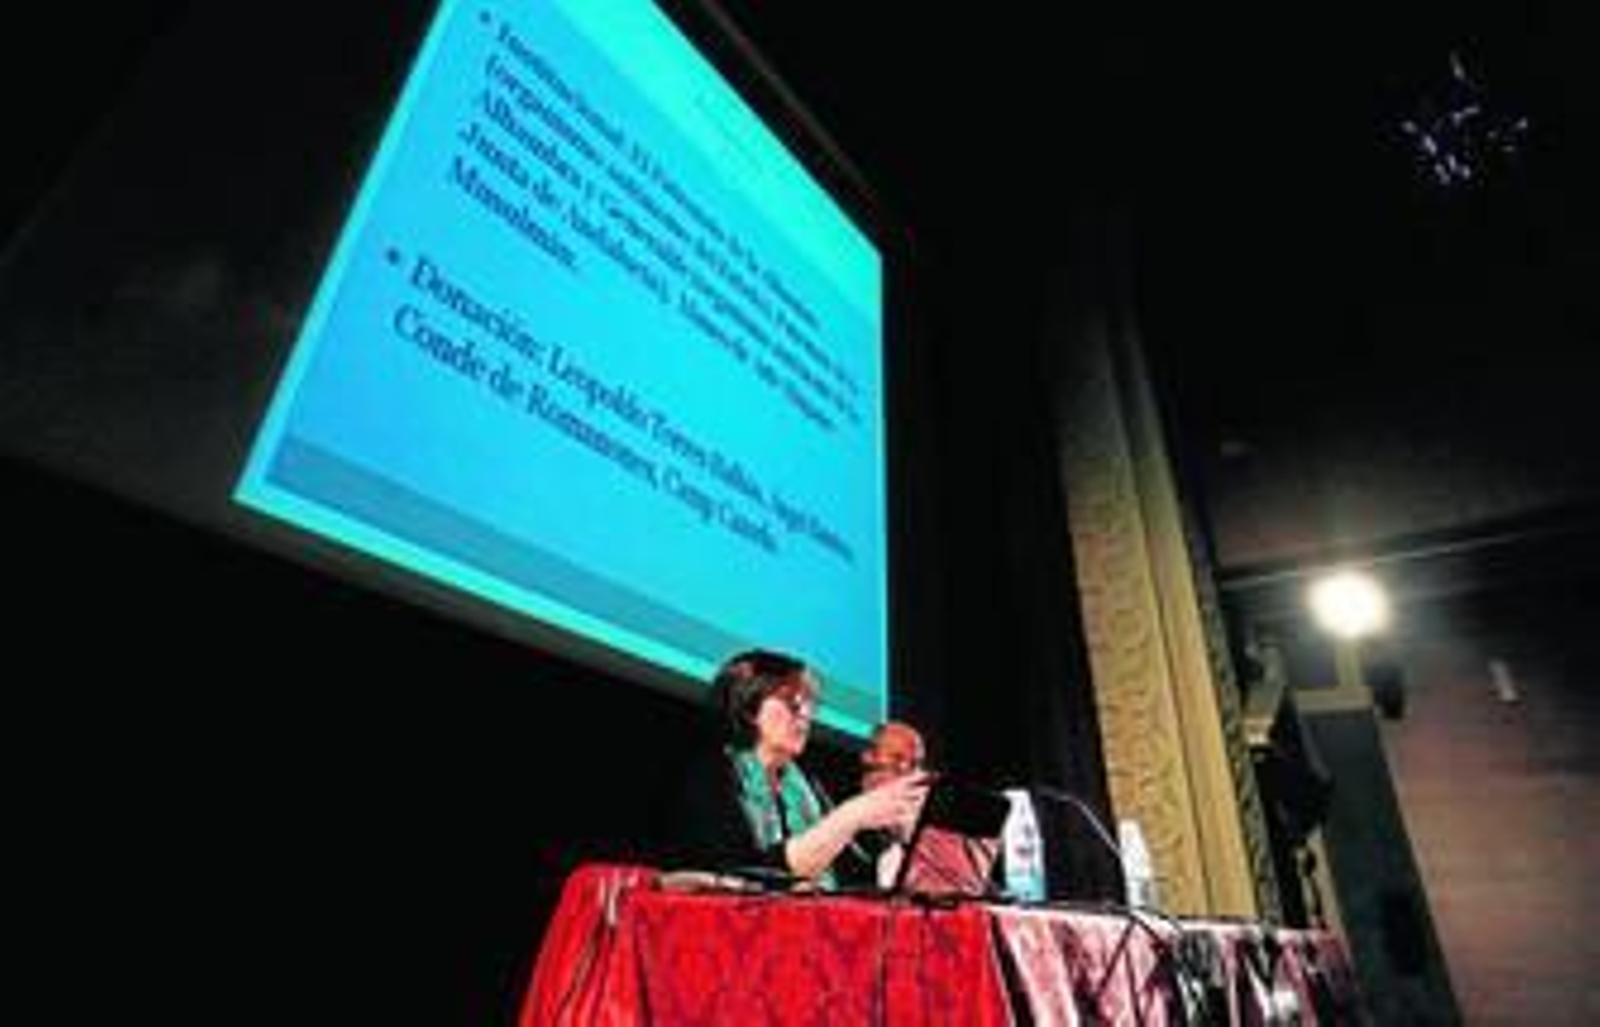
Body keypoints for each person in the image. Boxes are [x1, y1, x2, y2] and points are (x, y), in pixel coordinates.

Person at [663, 649, 928, 890]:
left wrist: (903, 836)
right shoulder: (712, 772)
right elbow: (744, 872)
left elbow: (853, 876)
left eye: (810, 705)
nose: (805, 714)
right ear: (749, 707)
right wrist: (851, 816)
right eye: (792, 702)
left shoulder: (806, 785)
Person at [857, 720, 929, 888]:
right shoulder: (837, 817)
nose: (906, 770)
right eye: (897, 758)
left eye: (915, 764)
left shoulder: (922, 837)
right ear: (868, 757)